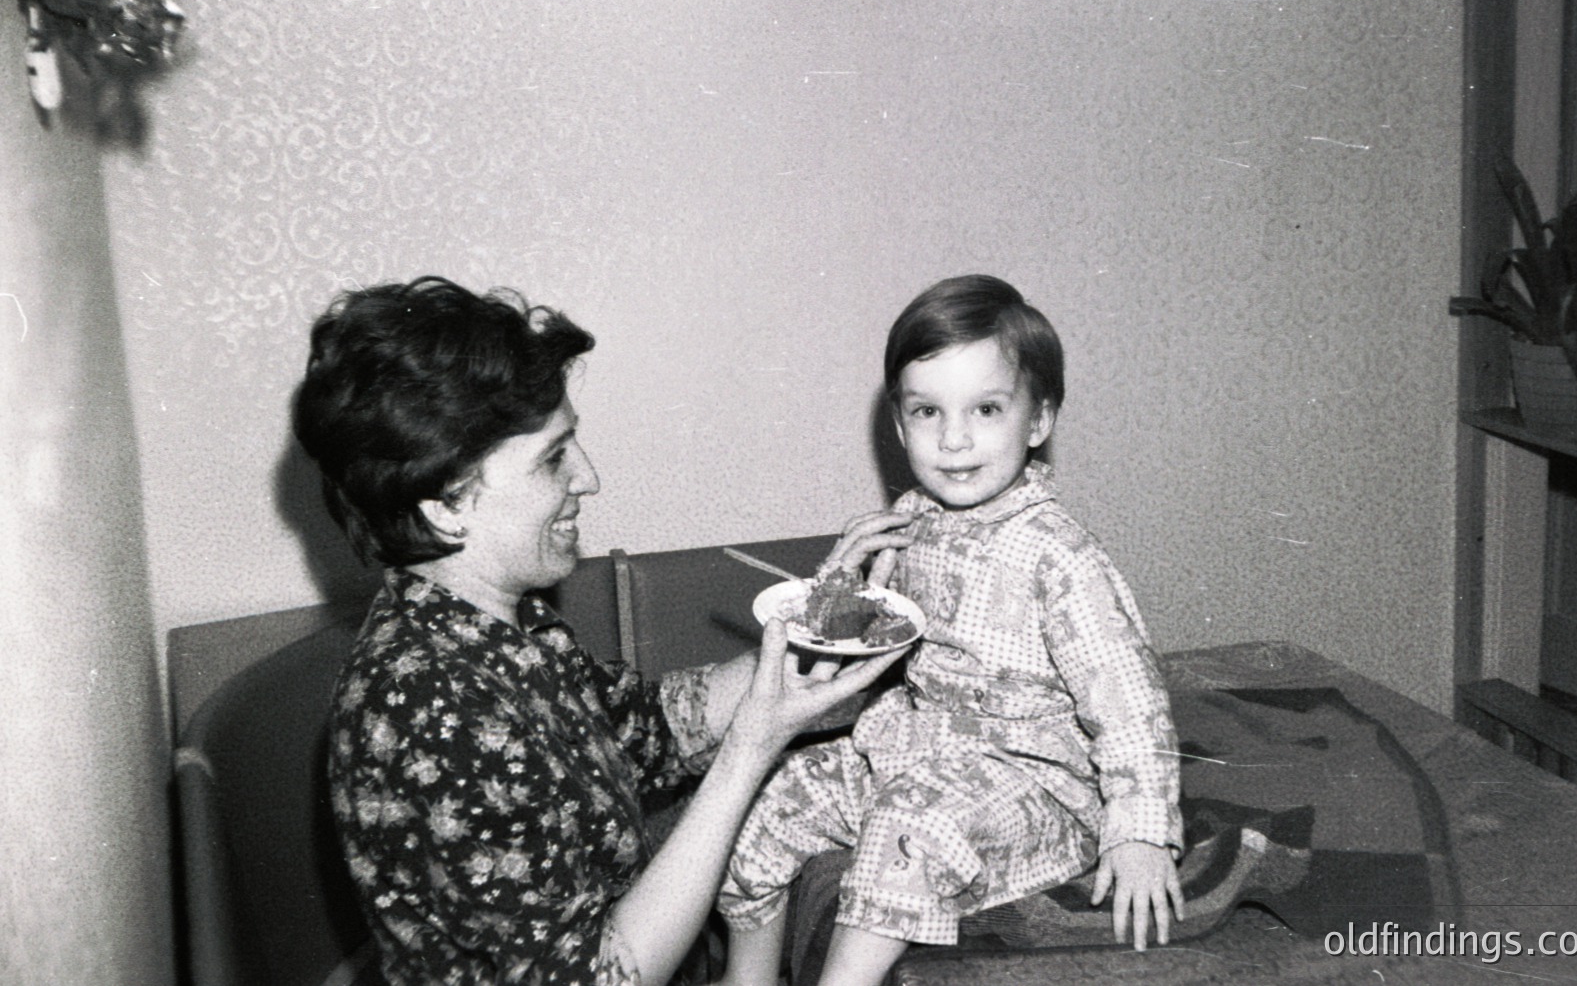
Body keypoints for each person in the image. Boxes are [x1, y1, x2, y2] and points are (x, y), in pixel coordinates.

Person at [292, 275, 909, 986]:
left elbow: (646, 728)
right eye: (553, 457)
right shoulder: (432, 710)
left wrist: (822, 619)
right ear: (445, 508)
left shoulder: (498, 621)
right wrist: (751, 748)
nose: (588, 477)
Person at [715, 274, 1184, 986]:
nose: (954, 439)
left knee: (908, 826)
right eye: (927, 412)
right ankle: (745, 979)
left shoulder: (1058, 553)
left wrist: (1143, 830)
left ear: (1037, 421)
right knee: (773, 788)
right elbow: (860, 648)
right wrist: (841, 581)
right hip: (915, 745)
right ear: (900, 426)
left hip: (1034, 785)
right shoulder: (910, 518)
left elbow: (1129, 700)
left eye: (986, 409)